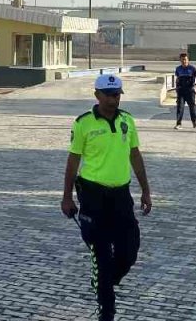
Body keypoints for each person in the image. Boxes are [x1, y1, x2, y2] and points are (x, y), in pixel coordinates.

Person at [61, 75, 152, 321]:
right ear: (97, 95)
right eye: (109, 95)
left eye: (117, 94)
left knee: (129, 251)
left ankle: (104, 281)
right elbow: (73, 162)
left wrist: (146, 190)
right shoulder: (83, 123)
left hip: (121, 196)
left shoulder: (127, 121)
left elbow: (135, 156)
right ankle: (106, 310)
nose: (114, 99)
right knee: (101, 255)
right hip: (93, 197)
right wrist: (67, 197)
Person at [173, 52, 196, 130]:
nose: (184, 61)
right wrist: (176, 88)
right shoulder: (178, 69)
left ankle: (194, 122)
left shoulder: (192, 68)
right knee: (180, 107)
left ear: (188, 60)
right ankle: (178, 123)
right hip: (181, 90)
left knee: (192, 107)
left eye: (185, 59)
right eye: (182, 60)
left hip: (190, 90)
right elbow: (177, 79)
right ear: (180, 60)